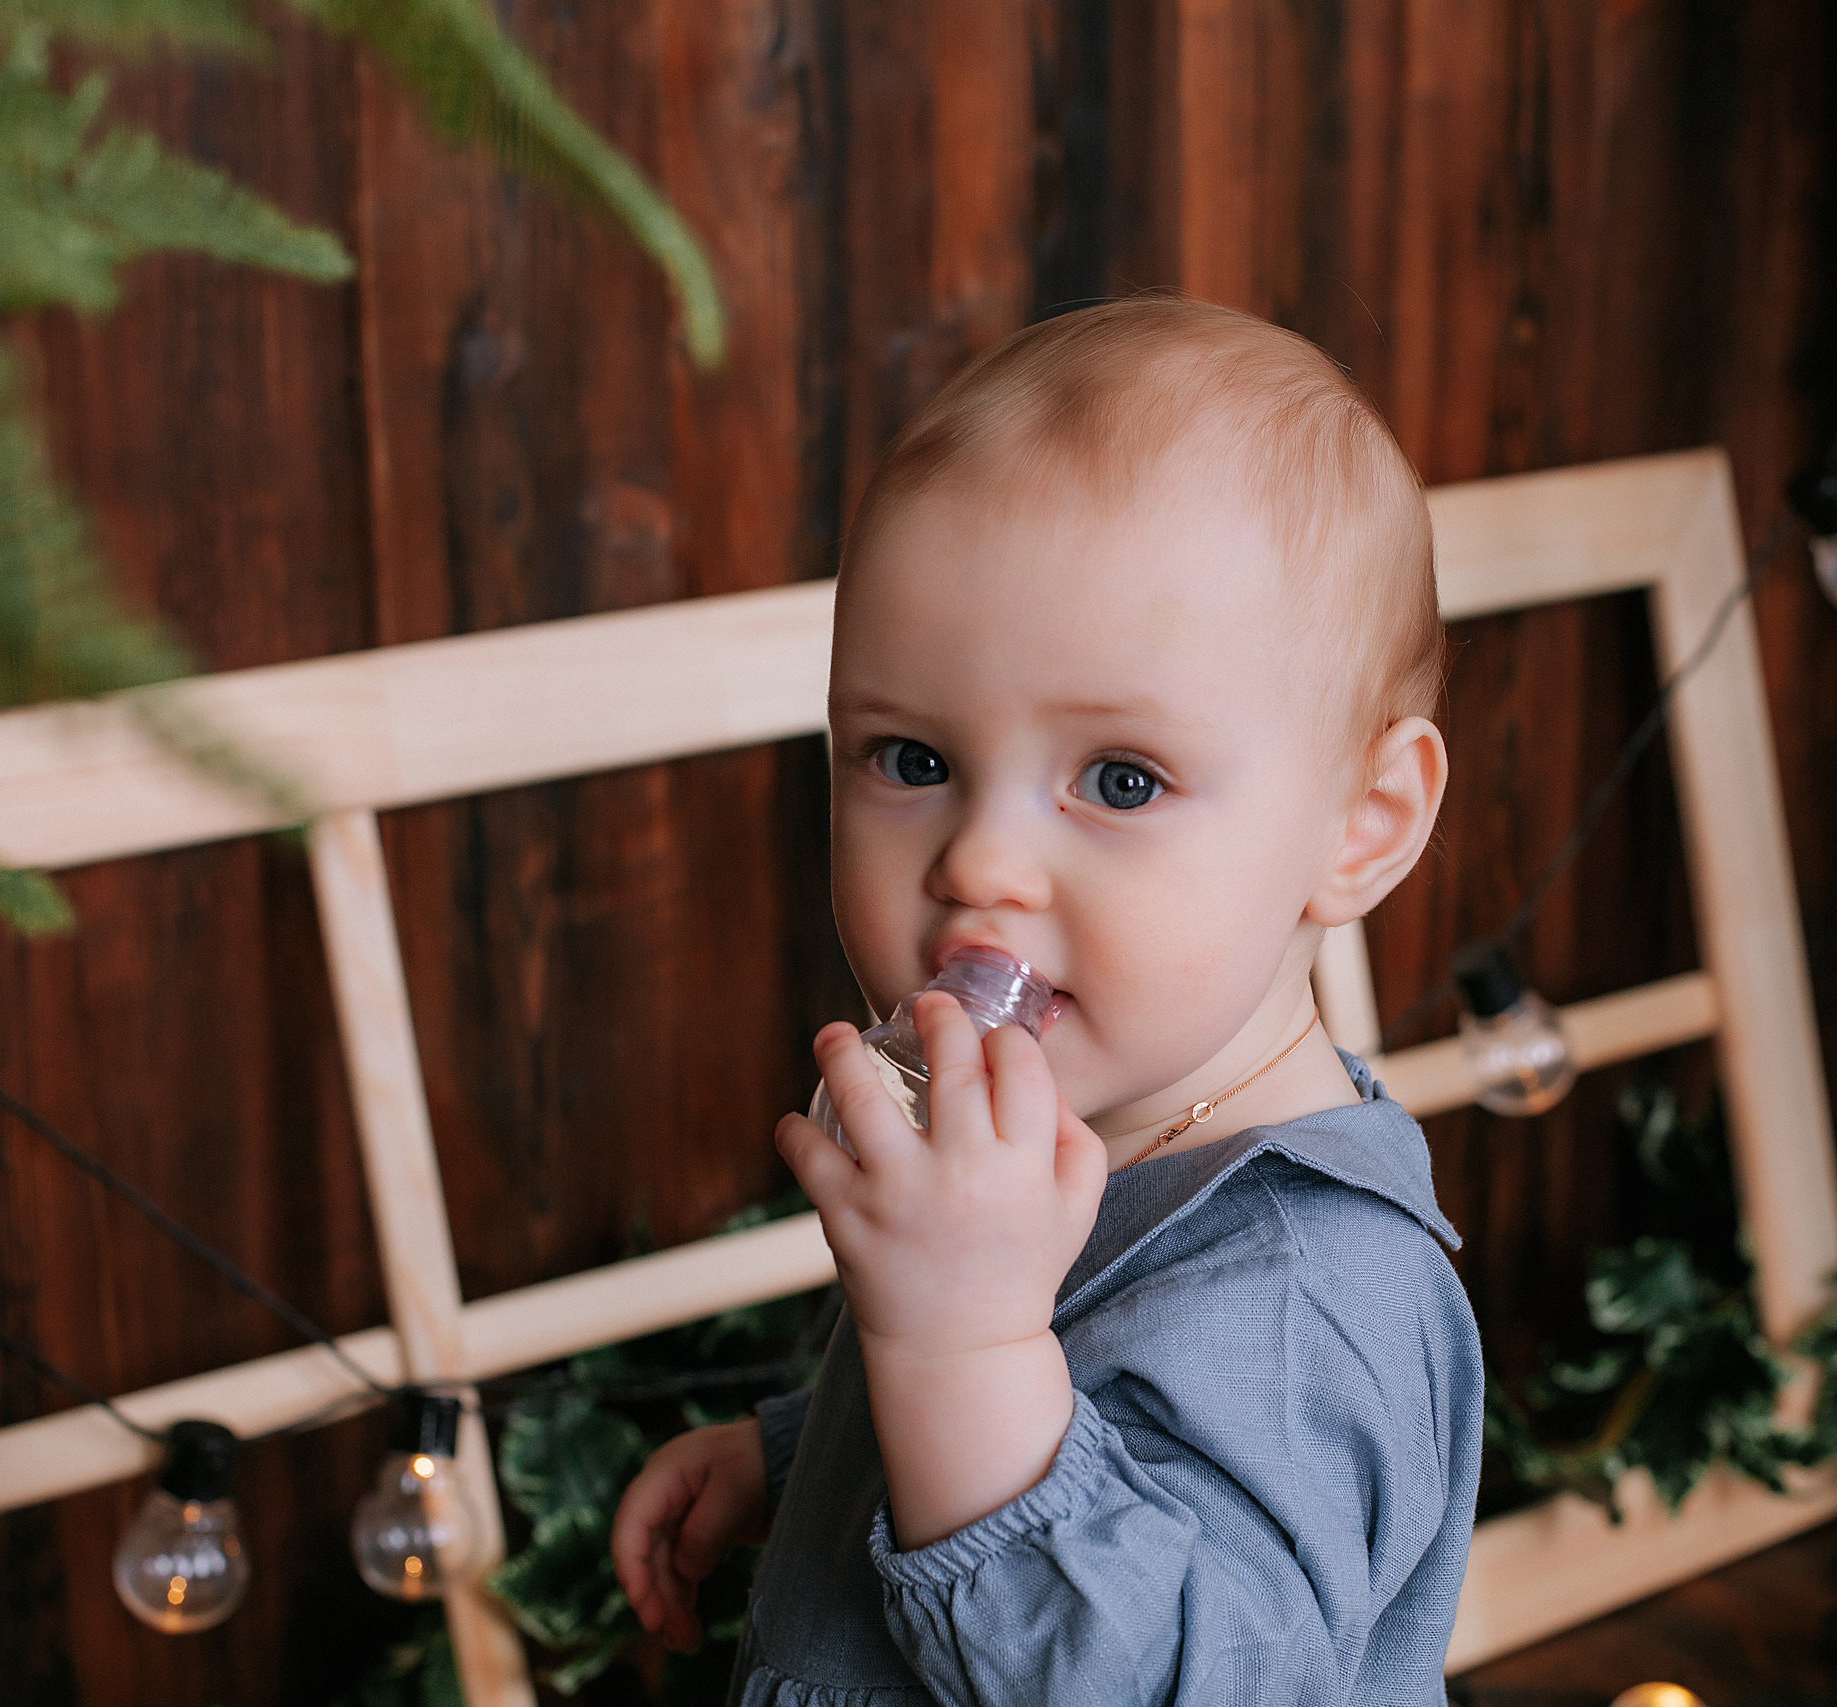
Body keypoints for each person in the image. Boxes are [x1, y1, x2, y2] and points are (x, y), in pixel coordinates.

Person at [609, 295, 1483, 1705]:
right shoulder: (1088, 1114)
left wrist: (955, 1342)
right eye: (908, 760)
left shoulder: (1304, 1302)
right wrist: (799, 1458)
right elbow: (1075, 1421)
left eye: (1122, 780)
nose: (979, 864)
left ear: (1363, 824)